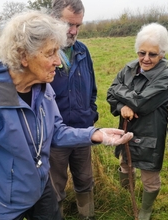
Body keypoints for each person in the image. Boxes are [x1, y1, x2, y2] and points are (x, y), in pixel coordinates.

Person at [0, 11, 133, 220]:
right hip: (0, 204)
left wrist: (94, 134)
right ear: (23, 56)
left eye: (58, 52)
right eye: (50, 53)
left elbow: (56, 131)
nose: (59, 61)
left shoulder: (43, 88)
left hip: (39, 188)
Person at [107, 23, 168, 220]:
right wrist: (122, 107)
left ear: (162, 53)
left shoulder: (166, 74)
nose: (145, 58)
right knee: (125, 164)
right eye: (142, 52)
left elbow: (140, 103)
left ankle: (145, 210)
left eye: (152, 54)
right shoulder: (129, 67)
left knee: (149, 174)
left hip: (150, 131)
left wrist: (121, 94)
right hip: (126, 126)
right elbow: (109, 92)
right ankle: (124, 197)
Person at [49, 0, 98, 219]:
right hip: (53, 138)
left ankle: (86, 215)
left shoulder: (82, 51)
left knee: (85, 180)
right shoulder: (44, 52)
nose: (73, 31)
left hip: (82, 132)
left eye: (78, 25)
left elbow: (92, 89)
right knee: (54, 187)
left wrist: (91, 114)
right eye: (68, 24)